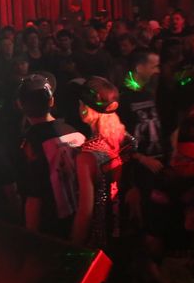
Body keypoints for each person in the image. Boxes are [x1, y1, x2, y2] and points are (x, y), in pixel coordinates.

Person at [15, 74, 86, 240]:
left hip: (50, 228)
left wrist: (31, 239)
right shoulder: (74, 131)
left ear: (20, 104)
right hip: (80, 218)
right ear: (51, 101)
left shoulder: (29, 143)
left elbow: (33, 198)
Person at [72, 77, 134, 248]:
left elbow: (85, 213)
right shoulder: (127, 140)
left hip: (101, 239)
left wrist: (73, 247)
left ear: (85, 109)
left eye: (80, 104)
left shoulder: (87, 156)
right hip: (127, 231)